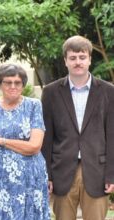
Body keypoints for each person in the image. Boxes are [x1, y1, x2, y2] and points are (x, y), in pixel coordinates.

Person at [41, 35, 114, 219]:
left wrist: (111, 174)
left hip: (97, 170)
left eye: (82, 57)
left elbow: (112, 135)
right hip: (62, 171)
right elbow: (46, 137)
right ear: (65, 61)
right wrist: (47, 174)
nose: (78, 62)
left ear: (90, 59)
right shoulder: (50, 92)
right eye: (72, 58)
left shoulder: (108, 91)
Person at [0, 63, 50, 219]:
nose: (13, 86)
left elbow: (34, 146)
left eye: (17, 82)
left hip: (29, 178)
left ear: (23, 84)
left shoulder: (33, 105)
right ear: (0, 84)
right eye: (8, 82)